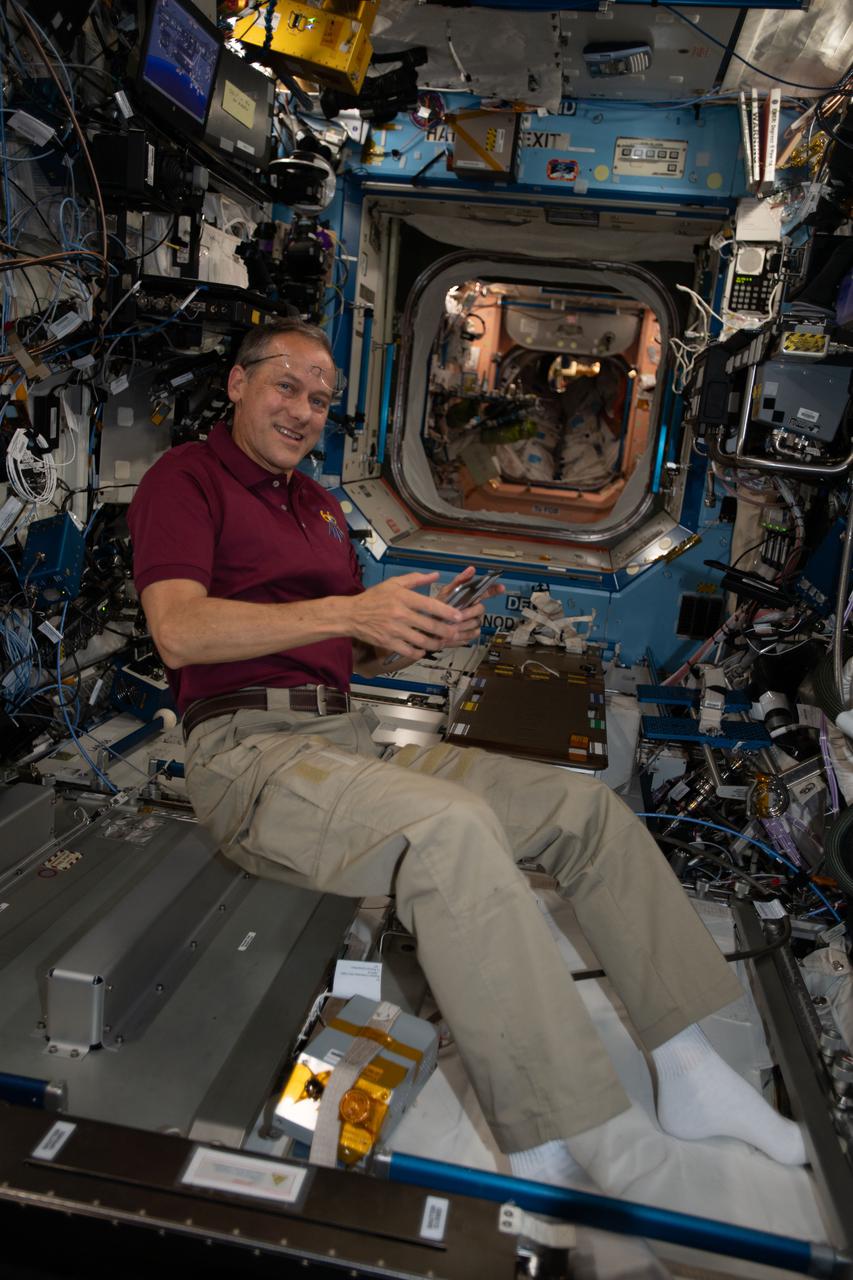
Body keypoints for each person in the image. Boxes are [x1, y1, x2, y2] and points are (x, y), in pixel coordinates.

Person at [128, 318, 805, 1208]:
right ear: (237, 383)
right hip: (249, 756)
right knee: (450, 829)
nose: (303, 411)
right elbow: (179, 631)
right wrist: (351, 613)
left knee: (583, 810)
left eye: (321, 399)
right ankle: (563, 1138)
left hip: (340, 737)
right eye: (286, 386)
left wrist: (411, 635)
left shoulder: (320, 506)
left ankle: (691, 1075)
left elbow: (348, 649)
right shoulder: (185, 479)